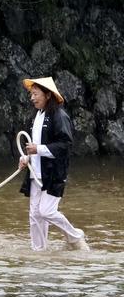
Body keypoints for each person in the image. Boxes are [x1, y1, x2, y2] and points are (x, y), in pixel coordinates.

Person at [17, 77, 88, 251]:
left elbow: (65, 145)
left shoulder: (59, 116)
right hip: (36, 172)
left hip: (54, 172)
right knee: (34, 215)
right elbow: (34, 145)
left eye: (35, 94)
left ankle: (75, 236)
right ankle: (39, 251)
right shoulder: (36, 115)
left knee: (46, 211)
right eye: (31, 94)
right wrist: (26, 158)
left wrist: (38, 150)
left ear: (47, 95)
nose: (32, 98)